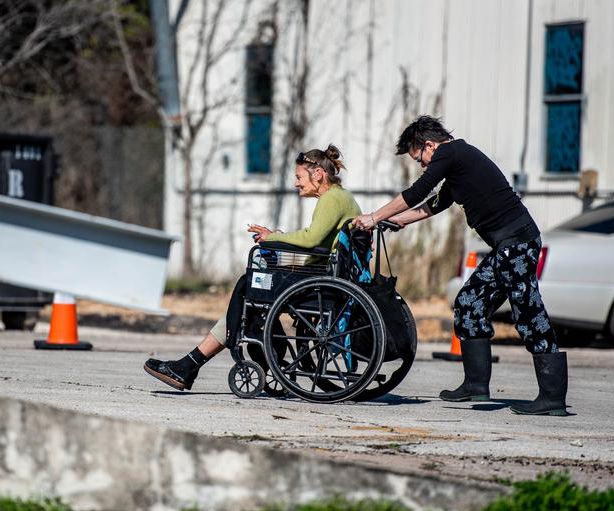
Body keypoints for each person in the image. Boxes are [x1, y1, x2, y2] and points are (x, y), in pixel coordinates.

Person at [352, 115, 568, 416]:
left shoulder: (450, 153)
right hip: (507, 246)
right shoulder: (458, 164)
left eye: (420, 159)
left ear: (429, 145)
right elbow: (436, 203)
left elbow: (417, 192)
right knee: (469, 304)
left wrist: (373, 216)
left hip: (518, 243)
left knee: (529, 314)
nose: (424, 166)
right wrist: (397, 221)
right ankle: (476, 385)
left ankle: (552, 397)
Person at [144, 144, 362, 391]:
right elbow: (316, 241)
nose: (296, 183)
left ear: (318, 174)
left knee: (249, 285)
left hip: (319, 283)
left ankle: (194, 363)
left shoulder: (332, 199)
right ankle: (201, 362)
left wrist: (272, 238)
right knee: (250, 288)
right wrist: (278, 237)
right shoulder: (342, 197)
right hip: (325, 277)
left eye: (299, 177)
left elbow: (311, 240)